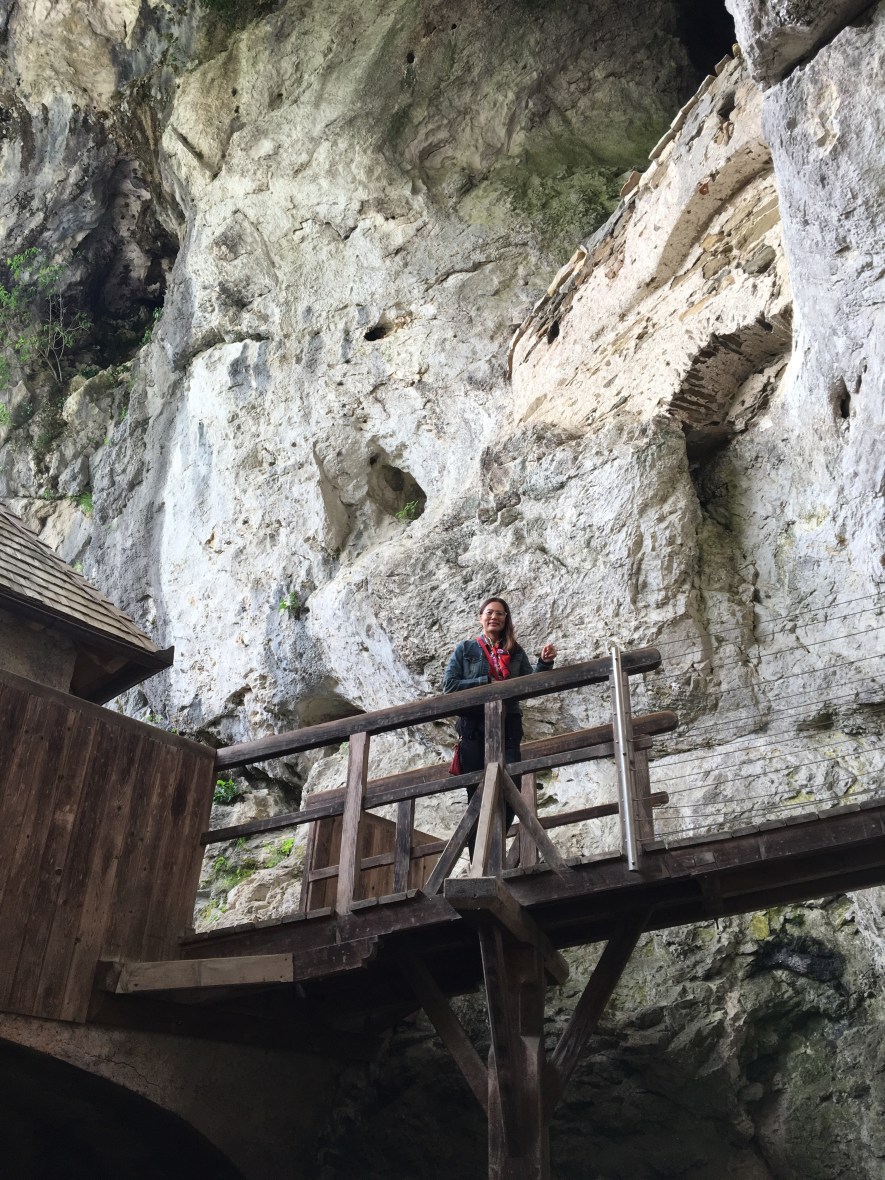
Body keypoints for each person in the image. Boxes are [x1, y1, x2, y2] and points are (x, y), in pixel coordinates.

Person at [443, 597, 557, 846]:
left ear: (506, 619)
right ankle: (477, 859)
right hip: (474, 730)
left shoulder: (514, 651)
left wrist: (545, 663)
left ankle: (491, 851)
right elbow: (449, 686)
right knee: (477, 797)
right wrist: (486, 683)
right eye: (489, 613)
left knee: (512, 790)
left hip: (508, 728)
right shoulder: (466, 649)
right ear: (480, 617)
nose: (494, 617)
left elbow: (529, 685)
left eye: (500, 613)